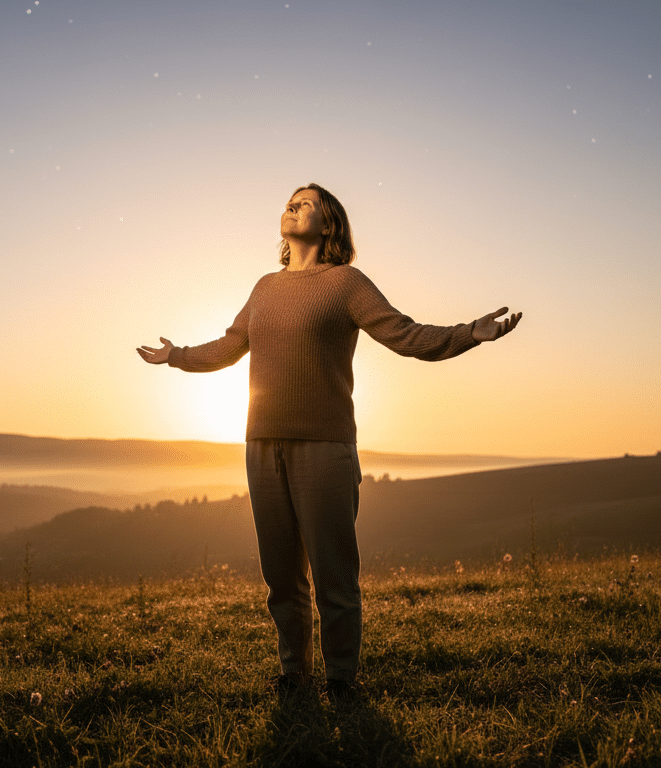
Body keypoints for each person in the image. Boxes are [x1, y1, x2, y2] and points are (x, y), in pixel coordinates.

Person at [137, 183, 520, 697]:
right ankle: (293, 675)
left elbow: (405, 335)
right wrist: (177, 354)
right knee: (281, 577)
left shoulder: (346, 284)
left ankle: (340, 680)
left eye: (305, 201)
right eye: (289, 199)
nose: (291, 205)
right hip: (261, 447)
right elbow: (231, 345)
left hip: (325, 450)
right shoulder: (265, 287)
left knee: (335, 577)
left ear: (329, 223)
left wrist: (468, 333)